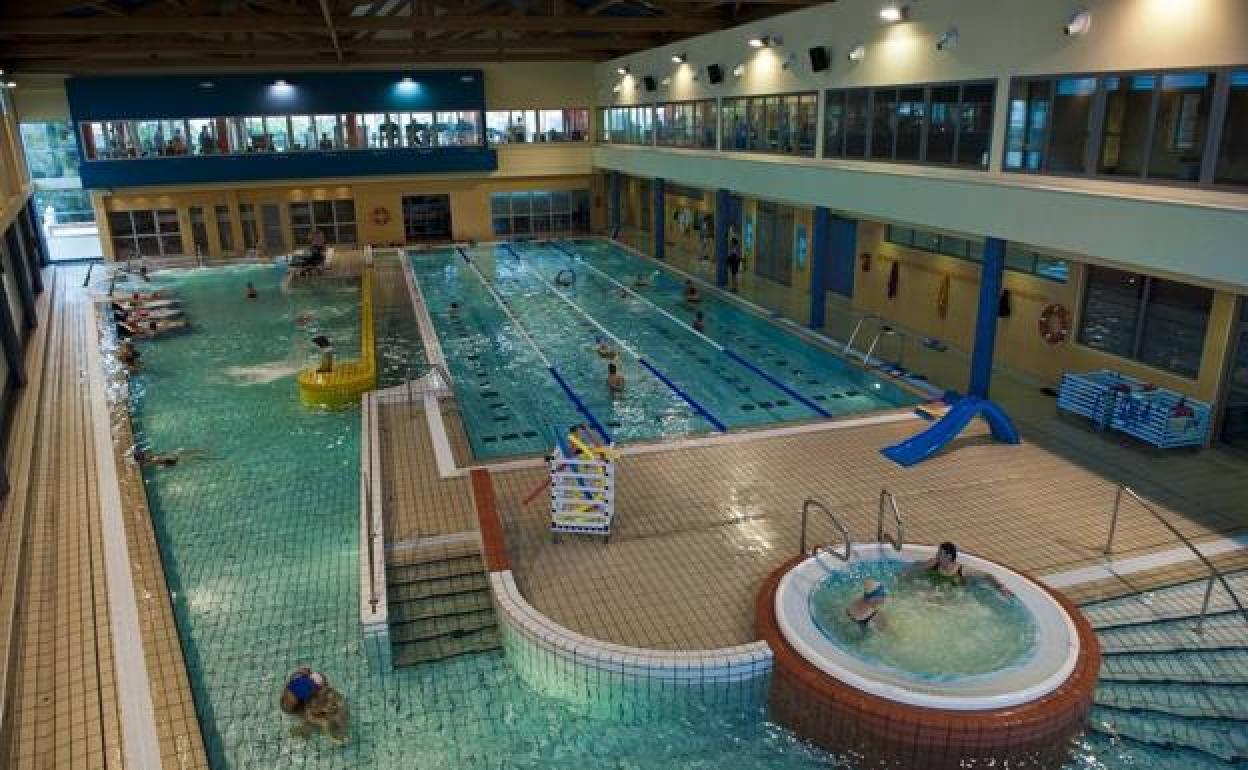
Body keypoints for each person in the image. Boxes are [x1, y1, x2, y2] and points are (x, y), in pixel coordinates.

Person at [911, 542, 1013, 598]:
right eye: (938, 553)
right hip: (935, 592)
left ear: (949, 556)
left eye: (940, 553)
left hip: (954, 597)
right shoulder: (934, 563)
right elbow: (916, 567)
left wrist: (1000, 587)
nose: (937, 555)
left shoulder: (961, 570)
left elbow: (986, 575)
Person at [280, 666, 350, 745]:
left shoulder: (299, 682)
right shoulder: (306, 697)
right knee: (321, 721)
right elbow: (310, 713)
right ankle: (303, 729)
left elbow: (295, 678)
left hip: (292, 698)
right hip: (294, 706)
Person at [133, 446, 208, 467]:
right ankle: (200, 454)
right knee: (189, 456)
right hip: (171, 460)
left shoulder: (147, 460)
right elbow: (162, 460)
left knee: (186, 453)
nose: (144, 452)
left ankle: (200, 452)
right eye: (143, 453)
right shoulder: (151, 460)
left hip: (170, 458)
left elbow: (161, 457)